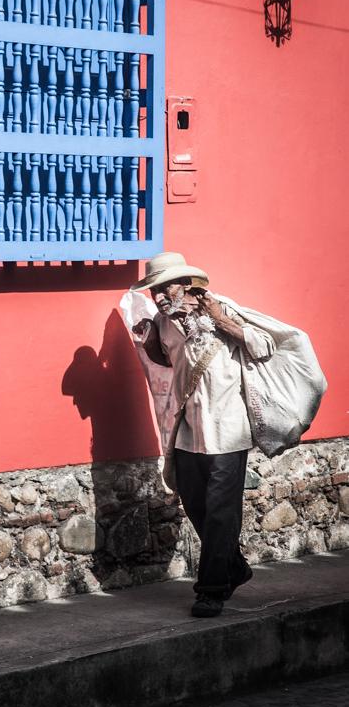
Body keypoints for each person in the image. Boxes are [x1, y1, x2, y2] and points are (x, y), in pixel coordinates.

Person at [132, 252, 275, 618]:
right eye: (154, 292)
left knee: (221, 514)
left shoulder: (221, 307)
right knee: (196, 505)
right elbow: (170, 361)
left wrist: (220, 320)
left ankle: (211, 589)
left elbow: (263, 347)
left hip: (228, 429)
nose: (160, 297)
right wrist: (148, 341)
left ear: (186, 284)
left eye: (166, 288)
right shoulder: (162, 325)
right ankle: (236, 567)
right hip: (189, 430)